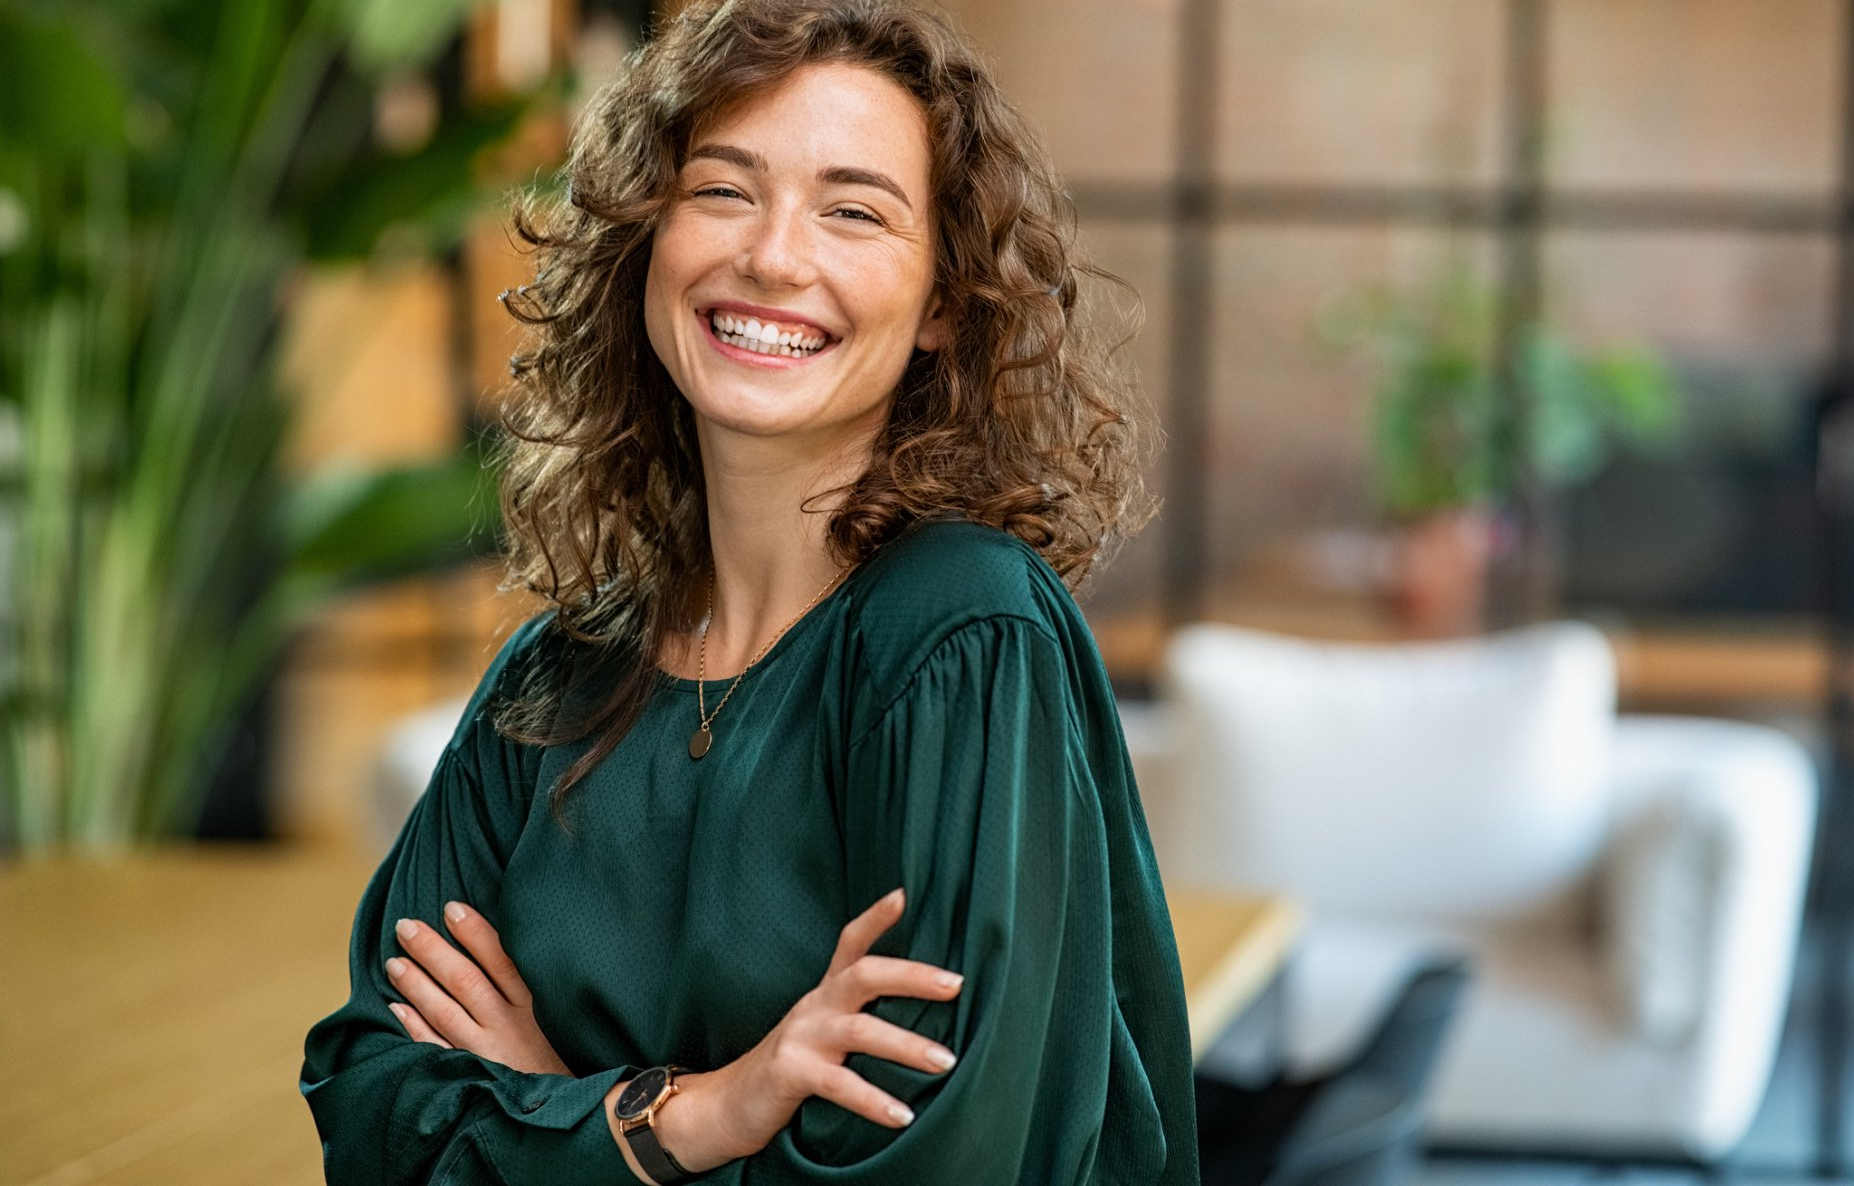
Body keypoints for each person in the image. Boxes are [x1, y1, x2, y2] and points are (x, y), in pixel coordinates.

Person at [299, 1, 1199, 1182]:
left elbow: (943, 1164)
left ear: (941, 303)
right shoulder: (555, 678)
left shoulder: (963, 633)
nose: (773, 255)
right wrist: (692, 1114)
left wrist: (554, 1112)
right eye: (723, 190)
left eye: (854, 211)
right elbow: (372, 1111)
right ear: (644, 242)